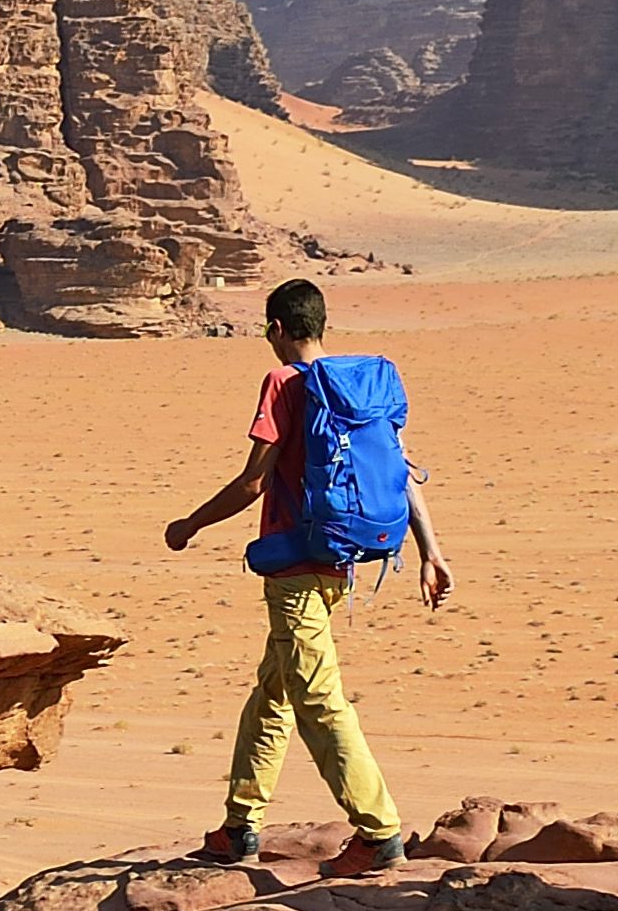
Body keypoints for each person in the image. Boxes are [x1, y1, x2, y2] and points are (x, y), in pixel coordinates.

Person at [161, 275, 452, 872]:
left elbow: (252, 482)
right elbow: (399, 472)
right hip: (339, 560)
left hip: (293, 566)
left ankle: (378, 833)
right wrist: (430, 551)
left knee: (318, 698)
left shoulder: (282, 383)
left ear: (275, 329)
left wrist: (189, 524)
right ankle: (240, 825)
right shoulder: (356, 386)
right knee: (274, 690)